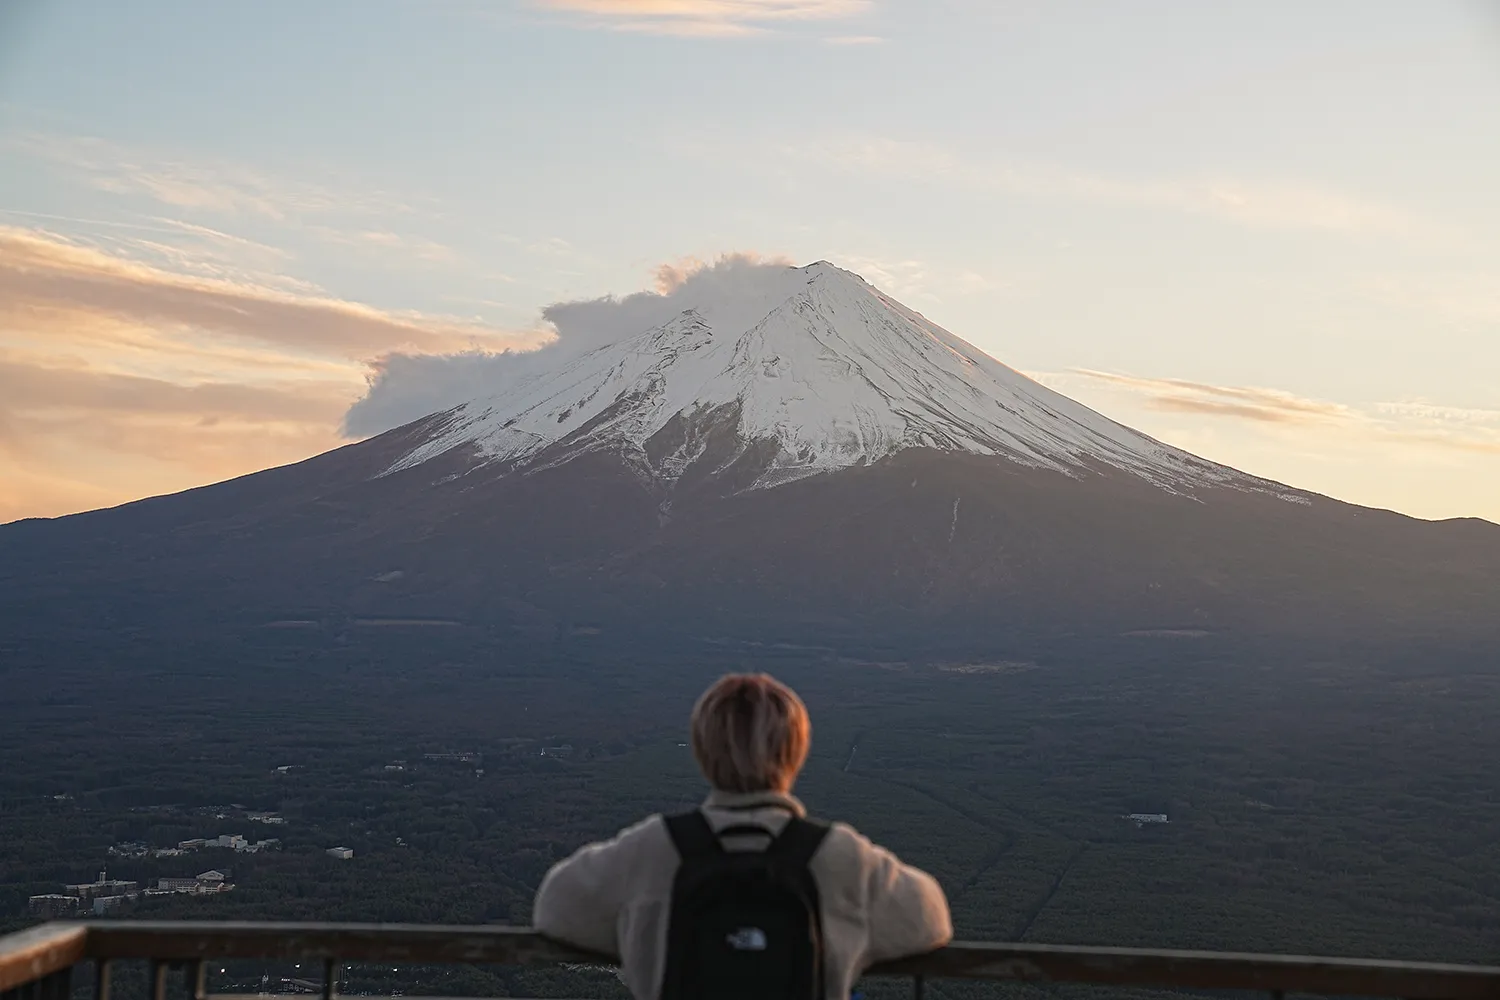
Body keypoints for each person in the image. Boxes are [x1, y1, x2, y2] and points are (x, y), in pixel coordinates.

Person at [533, 673, 953, 1000]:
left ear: (701, 750)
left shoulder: (654, 848)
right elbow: (932, 920)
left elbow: (553, 906)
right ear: (797, 751)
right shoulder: (837, 856)